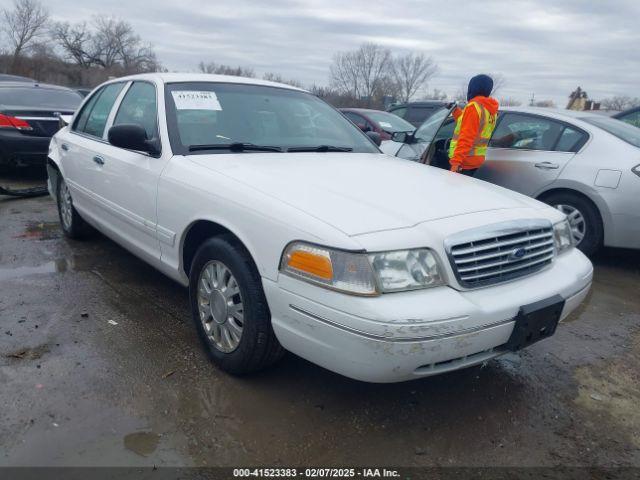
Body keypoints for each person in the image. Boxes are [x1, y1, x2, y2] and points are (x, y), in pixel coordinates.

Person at [448, 74, 499, 176]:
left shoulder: (473, 106)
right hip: (476, 160)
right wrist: (455, 110)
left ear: (472, 88)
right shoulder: (490, 110)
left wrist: (456, 162)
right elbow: (466, 123)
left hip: (464, 161)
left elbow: (467, 136)